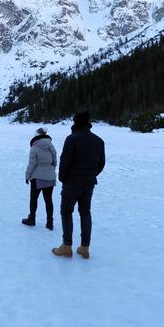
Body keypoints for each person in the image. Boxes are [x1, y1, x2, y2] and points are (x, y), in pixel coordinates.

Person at [52, 111, 105, 259]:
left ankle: (67, 246)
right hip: (88, 183)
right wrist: (91, 175)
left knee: (66, 212)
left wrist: (63, 178)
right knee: (85, 213)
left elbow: (65, 162)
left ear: (75, 122)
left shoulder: (72, 139)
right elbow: (101, 164)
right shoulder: (98, 141)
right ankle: (85, 247)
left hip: (72, 183)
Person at [23, 127, 58, 230]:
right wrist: (51, 170)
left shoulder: (34, 147)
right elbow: (55, 161)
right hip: (50, 177)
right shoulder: (51, 146)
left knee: (34, 199)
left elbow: (32, 164)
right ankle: (50, 222)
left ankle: (32, 219)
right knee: (48, 200)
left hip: (37, 178)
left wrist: (27, 176)